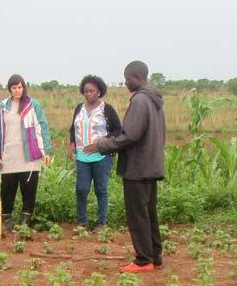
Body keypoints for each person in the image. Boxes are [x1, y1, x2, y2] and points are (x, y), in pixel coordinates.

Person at [84, 61, 165, 273]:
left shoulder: (140, 101)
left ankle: (143, 259)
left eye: (127, 78)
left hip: (137, 167)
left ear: (137, 77)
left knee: (138, 214)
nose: (126, 82)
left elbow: (130, 136)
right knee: (148, 212)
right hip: (151, 164)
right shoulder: (155, 100)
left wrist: (101, 145)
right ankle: (155, 256)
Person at [0, 74, 52, 231]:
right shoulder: (3, 106)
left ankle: (25, 222)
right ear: (10, 89)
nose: (17, 90)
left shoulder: (33, 105)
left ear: (23, 87)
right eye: (14, 88)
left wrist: (46, 151)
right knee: (7, 190)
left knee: (29, 189)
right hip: (9, 154)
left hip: (29, 155)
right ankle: (7, 221)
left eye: (19, 87)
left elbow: (43, 126)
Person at [68, 75, 122, 229]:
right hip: (82, 156)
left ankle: (102, 223)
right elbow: (74, 128)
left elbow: (118, 130)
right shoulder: (79, 108)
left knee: (101, 189)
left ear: (99, 92)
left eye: (91, 91)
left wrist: (102, 141)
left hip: (102, 156)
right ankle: (82, 222)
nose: (88, 94)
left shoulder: (107, 109)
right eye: (85, 91)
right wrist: (72, 143)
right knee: (81, 189)